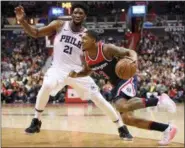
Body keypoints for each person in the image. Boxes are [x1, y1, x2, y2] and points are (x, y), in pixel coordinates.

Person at [14, 3, 133, 140]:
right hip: (58, 69)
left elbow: (90, 60)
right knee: (46, 86)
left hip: (77, 71)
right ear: (71, 13)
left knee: (98, 99)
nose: (77, 15)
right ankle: (36, 121)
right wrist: (22, 21)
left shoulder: (87, 35)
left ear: (85, 16)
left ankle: (121, 127)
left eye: (80, 13)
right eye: (75, 12)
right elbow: (35, 33)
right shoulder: (59, 24)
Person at [69, 30, 177, 145]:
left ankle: (160, 100)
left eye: (84, 38)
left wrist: (133, 61)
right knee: (128, 119)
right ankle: (167, 129)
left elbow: (130, 52)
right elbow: (87, 71)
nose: (81, 41)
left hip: (126, 77)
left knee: (121, 105)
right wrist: (76, 75)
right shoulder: (86, 57)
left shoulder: (106, 48)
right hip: (116, 84)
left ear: (93, 40)